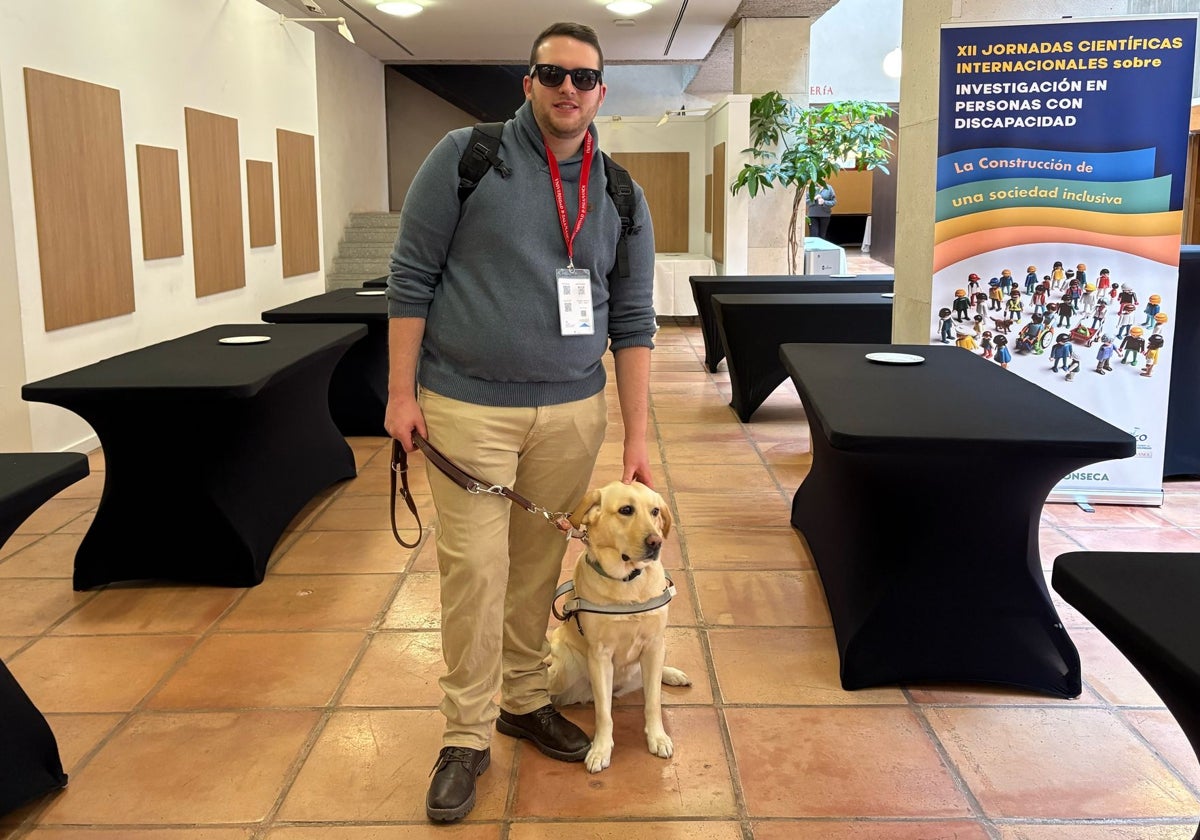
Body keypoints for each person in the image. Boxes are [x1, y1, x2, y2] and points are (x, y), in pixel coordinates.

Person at [384, 21, 657, 824]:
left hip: (573, 413)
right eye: (551, 74)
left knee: (539, 570)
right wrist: (402, 396)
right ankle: (466, 734)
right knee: (475, 574)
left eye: (583, 77)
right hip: (467, 408)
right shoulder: (467, 159)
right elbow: (410, 277)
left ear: (601, 92)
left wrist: (637, 437)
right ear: (528, 84)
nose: (567, 88)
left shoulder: (618, 192)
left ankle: (525, 699)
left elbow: (633, 319)